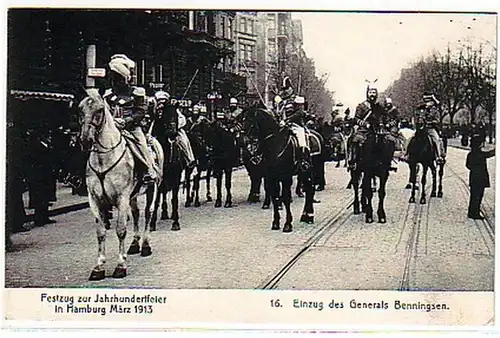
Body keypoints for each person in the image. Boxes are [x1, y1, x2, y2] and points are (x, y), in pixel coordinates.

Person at [104, 54, 156, 183]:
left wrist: (127, 121)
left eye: (119, 78)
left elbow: (141, 111)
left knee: (141, 144)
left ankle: (147, 170)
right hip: (111, 127)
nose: (117, 81)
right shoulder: (108, 94)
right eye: (114, 77)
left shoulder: (137, 92)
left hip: (131, 128)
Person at [348, 81, 398, 170]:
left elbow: (385, 116)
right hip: (364, 130)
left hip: (378, 130)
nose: (372, 94)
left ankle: (387, 162)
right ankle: (353, 162)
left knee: (390, 141)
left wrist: (386, 124)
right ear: (367, 94)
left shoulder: (379, 106)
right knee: (354, 140)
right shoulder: (361, 106)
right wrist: (365, 124)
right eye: (370, 92)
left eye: (374, 92)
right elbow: (356, 119)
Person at [153, 91, 196, 169]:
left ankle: (189, 158)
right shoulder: (154, 109)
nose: (161, 103)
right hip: (157, 132)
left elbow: (181, 120)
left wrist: (175, 127)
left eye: (163, 100)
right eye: (159, 100)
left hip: (173, 131)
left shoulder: (172, 109)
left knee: (183, 140)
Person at [277, 77, 310, 170]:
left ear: (291, 88)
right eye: (283, 89)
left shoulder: (297, 100)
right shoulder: (280, 102)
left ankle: (303, 160)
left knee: (301, 139)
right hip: (280, 125)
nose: (285, 91)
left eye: (287, 88)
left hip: (295, 125)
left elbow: (300, 113)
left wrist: (287, 120)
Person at [466, 135, 495, 219]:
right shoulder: (481, 154)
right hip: (481, 178)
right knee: (478, 196)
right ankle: (475, 213)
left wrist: (474, 169)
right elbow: (490, 154)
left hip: (473, 177)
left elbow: (467, 165)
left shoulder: (471, 154)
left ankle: (471, 211)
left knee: (473, 196)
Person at [415, 92, 446, 164]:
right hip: (422, 129)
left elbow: (437, 120)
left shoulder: (435, 110)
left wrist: (430, 122)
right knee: (411, 139)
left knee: (436, 139)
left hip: (430, 129)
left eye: (428, 101)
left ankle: (438, 156)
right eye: (425, 101)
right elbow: (417, 116)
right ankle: (407, 154)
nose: (427, 103)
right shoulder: (421, 109)